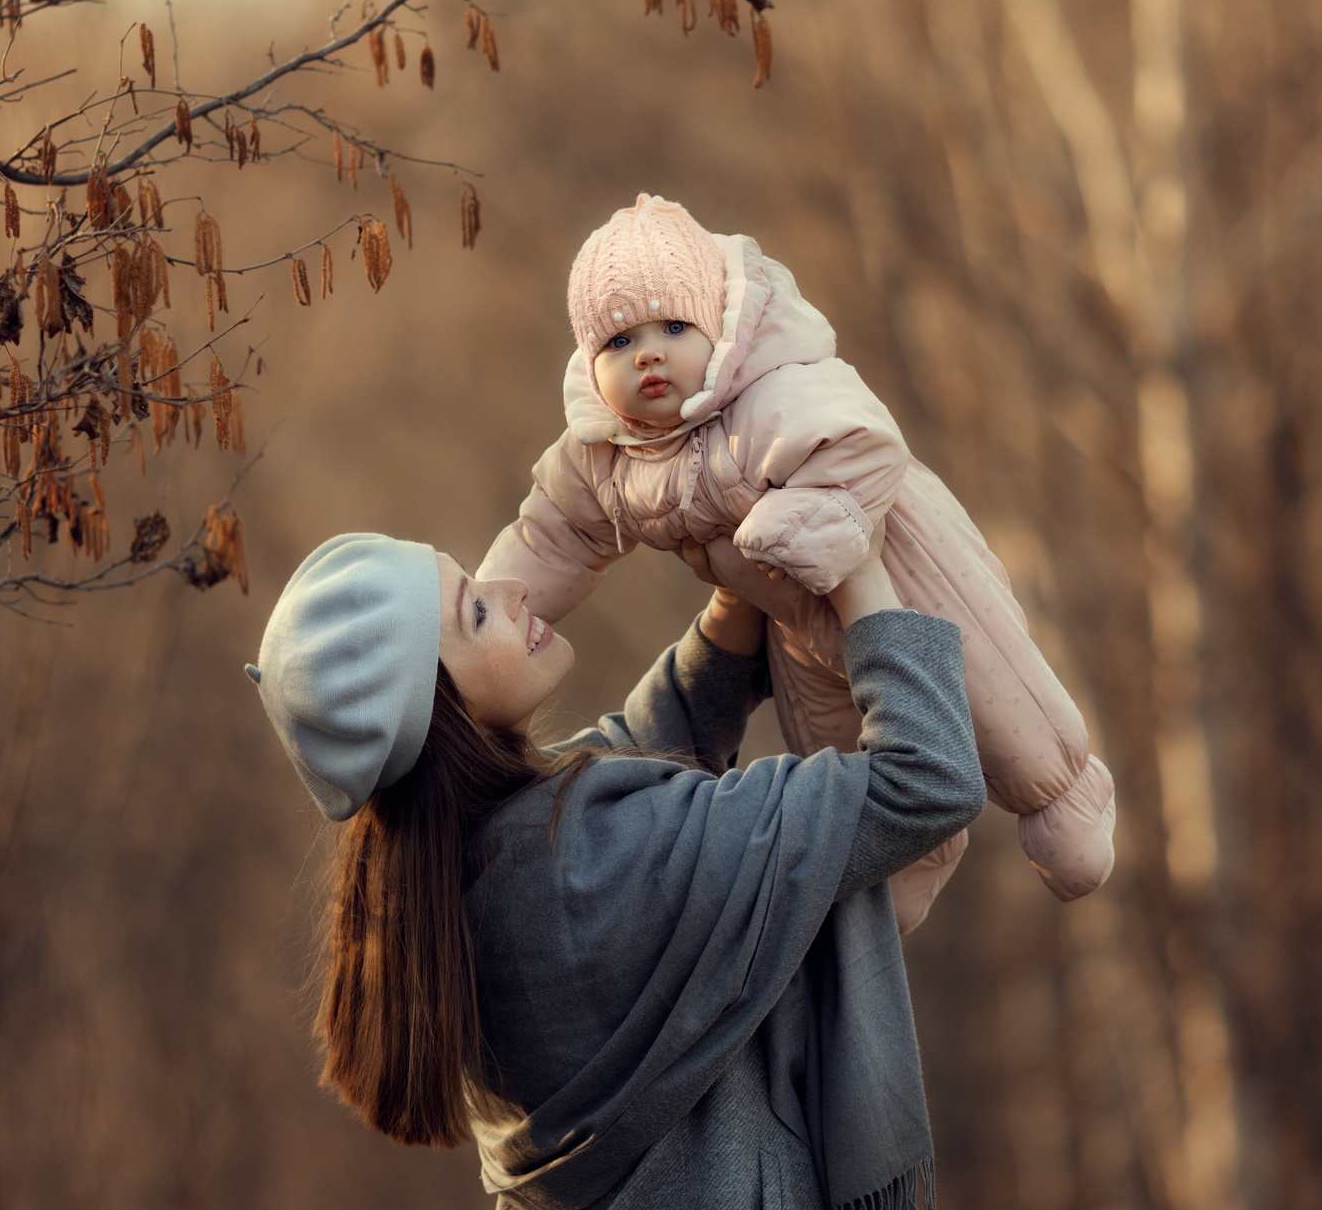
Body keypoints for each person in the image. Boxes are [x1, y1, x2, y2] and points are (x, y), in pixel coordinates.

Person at [246, 522, 983, 1210]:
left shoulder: (443, 888)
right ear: (434, 706)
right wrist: (855, 565)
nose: (514, 594)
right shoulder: (599, 861)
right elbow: (927, 776)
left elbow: (626, 764)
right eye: (475, 609)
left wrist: (734, 607)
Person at [476, 193, 1116, 926]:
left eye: (674, 327)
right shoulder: (603, 454)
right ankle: (904, 866)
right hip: (792, 622)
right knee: (836, 749)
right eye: (619, 342)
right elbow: (550, 534)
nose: (648, 354)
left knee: (998, 698)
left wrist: (799, 528)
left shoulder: (774, 391)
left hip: (903, 573)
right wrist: (493, 605)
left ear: (717, 328)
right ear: (591, 364)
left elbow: (865, 442)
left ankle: (1067, 797)